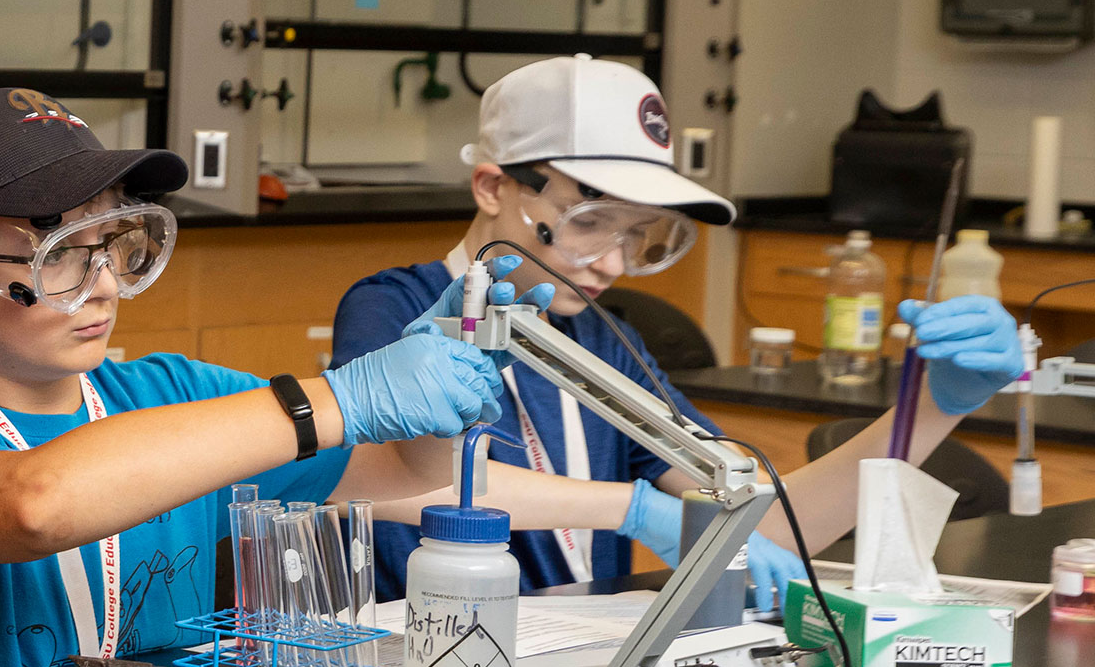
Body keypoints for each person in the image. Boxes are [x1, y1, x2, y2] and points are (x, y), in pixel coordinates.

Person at [0, 88, 524, 667]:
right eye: (59, 255)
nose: (106, 285)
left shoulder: (173, 394)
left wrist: (448, 398)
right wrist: (334, 398)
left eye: (112, 242)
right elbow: (35, 506)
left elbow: (408, 471)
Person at [331, 55, 1025, 608]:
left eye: (638, 235)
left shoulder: (600, 342)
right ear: (492, 188)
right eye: (589, 223)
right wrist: (631, 510)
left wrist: (934, 405)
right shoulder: (394, 308)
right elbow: (389, 482)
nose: (613, 263)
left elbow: (765, 521)